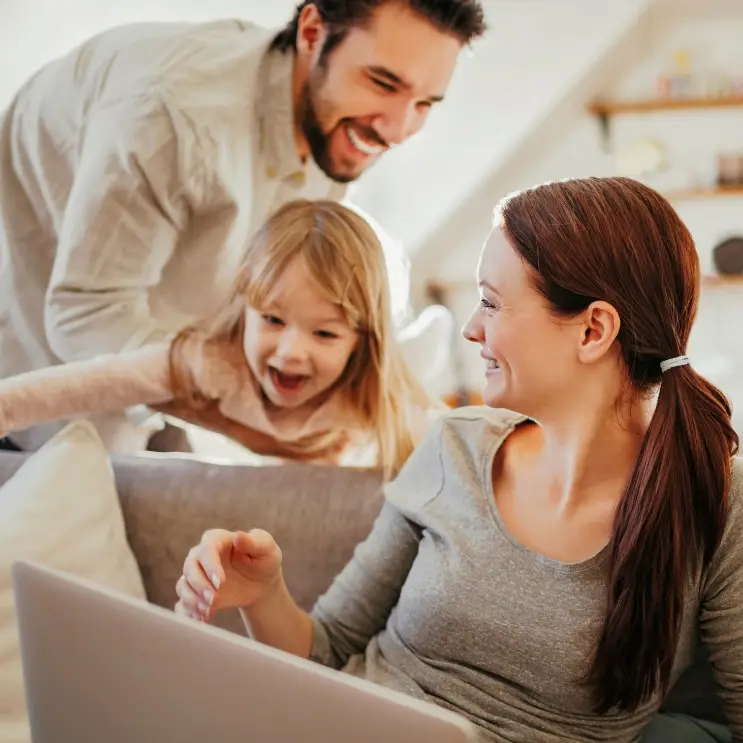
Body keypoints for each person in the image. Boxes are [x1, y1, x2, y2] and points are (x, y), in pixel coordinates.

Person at [175, 177, 743, 743]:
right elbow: (323, 650)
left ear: (593, 329)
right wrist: (262, 592)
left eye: (492, 303)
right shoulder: (456, 446)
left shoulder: (714, 501)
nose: (472, 328)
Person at [0, 0, 486, 453]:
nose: (399, 130)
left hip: (152, 353)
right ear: (313, 32)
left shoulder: (337, 124)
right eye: (383, 83)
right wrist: (251, 430)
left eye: (425, 104)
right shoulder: (172, 116)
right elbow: (84, 315)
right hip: (31, 360)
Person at [0, 200, 439, 476]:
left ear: (361, 342)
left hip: (325, 437)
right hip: (219, 413)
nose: (290, 352)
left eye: (324, 332)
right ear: (244, 305)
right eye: (272, 319)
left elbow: (449, 452)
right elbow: (90, 382)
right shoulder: (207, 363)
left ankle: (424, 334)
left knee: (415, 382)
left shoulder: (373, 397)